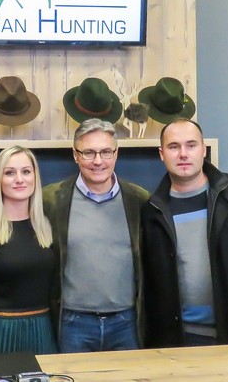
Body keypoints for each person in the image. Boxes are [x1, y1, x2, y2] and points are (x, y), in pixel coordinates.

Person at [141, 118, 228, 347]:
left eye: (191, 145)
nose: (183, 154)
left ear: (203, 150)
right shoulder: (152, 210)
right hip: (179, 339)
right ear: (161, 154)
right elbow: (150, 287)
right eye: (174, 147)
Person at [43, 118, 149, 352]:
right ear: (75, 155)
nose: (98, 161)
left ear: (116, 154)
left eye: (105, 152)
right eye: (89, 153)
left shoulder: (139, 200)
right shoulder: (51, 199)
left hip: (127, 323)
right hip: (73, 323)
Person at [0, 146, 58, 354]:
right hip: (2, 331)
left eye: (26, 171)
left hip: (43, 330)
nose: (19, 179)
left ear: (35, 177)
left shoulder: (47, 227)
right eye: (9, 173)